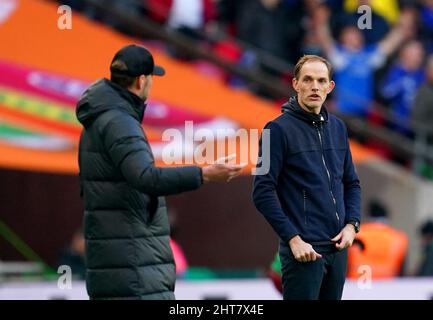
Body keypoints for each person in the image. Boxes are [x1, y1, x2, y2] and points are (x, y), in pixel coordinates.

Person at [76, 44, 244, 300]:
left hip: (119, 265)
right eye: (152, 78)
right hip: (133, 269)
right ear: (141, 81)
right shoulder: (120, 122)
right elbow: (147, 178)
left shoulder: (101, 118)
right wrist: (205, 174)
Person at [252, 54, 361, 300]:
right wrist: (293, 239)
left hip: (338, 249)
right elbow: (261, 192)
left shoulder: (338, 128)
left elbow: (351, 183)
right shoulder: (275, 130)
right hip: (304, 251)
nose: (315, 86)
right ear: (295, 84)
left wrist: (352, 225)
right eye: (308, 80)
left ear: (330, 86)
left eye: (321, 81)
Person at [346, 200, 408, 279]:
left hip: (356, 284)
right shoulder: (398, 238)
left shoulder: (355, 234)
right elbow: (402, 271)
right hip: (387, 286)